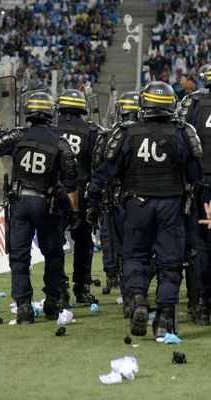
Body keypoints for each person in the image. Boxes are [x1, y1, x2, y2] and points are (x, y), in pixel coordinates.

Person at [88, 81, 202, 337]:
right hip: (171, 205)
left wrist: (94, 202)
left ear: (144, 103)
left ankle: (138, 298)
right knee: (170, 263)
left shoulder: (127, 132)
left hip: (137, 203)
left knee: (135, 256)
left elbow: (107, 171)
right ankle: (163, 319)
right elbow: (195, 175)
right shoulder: (183, 132)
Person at [0, 91, 80, 324]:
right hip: (48, 206)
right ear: (50, 114)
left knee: (20, 256)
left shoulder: (17, 136)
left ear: (28, 112)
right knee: (53, 254)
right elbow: (71, 183)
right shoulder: (60, 143)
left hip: (20, 203)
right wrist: (74, 213)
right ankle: (52, 301)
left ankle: (23, 306)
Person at [91, 91, 139, 311]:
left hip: (116, 198)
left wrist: (94, 197)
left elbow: (99, 167)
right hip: (144, 200)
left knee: (116, 245)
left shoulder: (110, 135)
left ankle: (122, 284)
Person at [54, 89, 100, 305]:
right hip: (81, 191)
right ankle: (82, 288)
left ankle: (59, 289)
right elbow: (98, 163)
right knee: (83, 240)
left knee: (55, 241)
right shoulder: (90, 130)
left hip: (55, 192)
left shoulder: (51, 129)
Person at [180, 63, 211, 325]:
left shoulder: (192, 105)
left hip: (202, 187)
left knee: (200, 245)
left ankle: (200, 303)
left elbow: (180, 145)